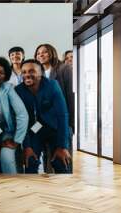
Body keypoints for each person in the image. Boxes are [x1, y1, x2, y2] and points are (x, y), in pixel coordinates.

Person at [15, 59, 71, 174]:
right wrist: (27, 147)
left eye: (31, 71)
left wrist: (62, 146)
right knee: (30, 161)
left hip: (54, 128)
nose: (27, 75)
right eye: (24, 72)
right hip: (33, 130)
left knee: (61, 161)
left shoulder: (52, 85)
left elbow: (62, 115)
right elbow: (21, 120)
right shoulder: (18, 90)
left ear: (41, 73)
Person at [34, 44, 74, 172]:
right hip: (43, 123)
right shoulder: (37, 73)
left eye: (44, 52)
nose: (41, 55)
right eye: (38, 53)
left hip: (60, 121)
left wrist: (71, 124)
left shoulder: (64, 68)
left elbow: (70, 97)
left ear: (51, 53)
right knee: (47, 156)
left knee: (62, 158)